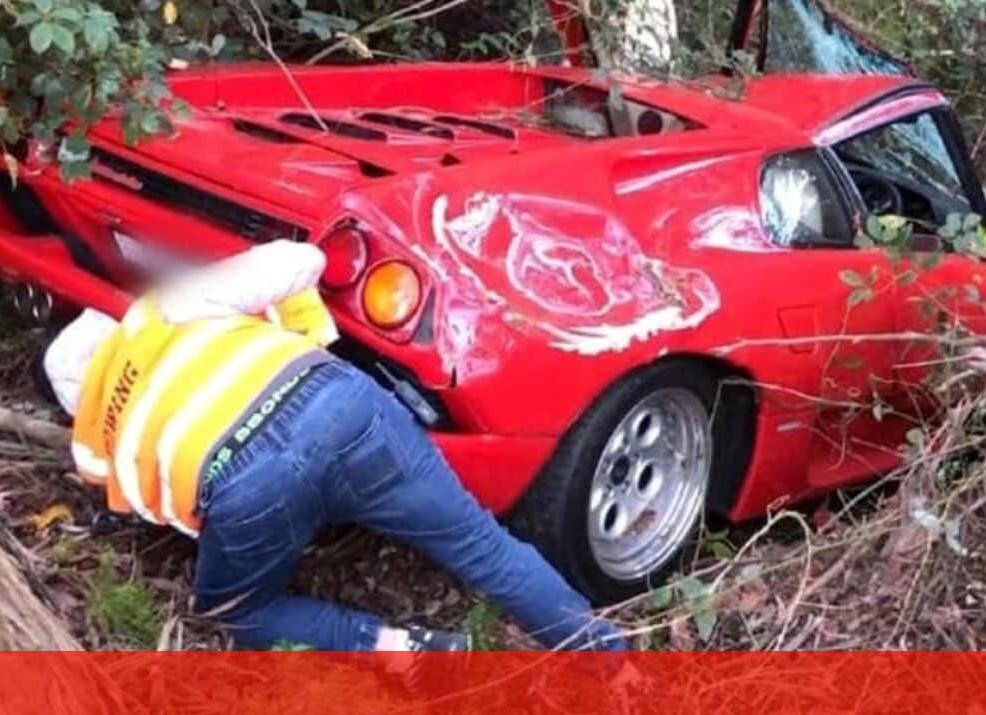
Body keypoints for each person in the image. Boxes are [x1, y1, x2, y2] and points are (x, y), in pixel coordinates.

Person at [42, 239, 624, 655]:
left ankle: (404, 648)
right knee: (483, 547)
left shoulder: (97, 438)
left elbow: (183, 514)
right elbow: (302, 260)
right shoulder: (164, 309)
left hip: (246, 480)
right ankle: (608, 657)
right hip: (339, 404)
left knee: (237, 609)